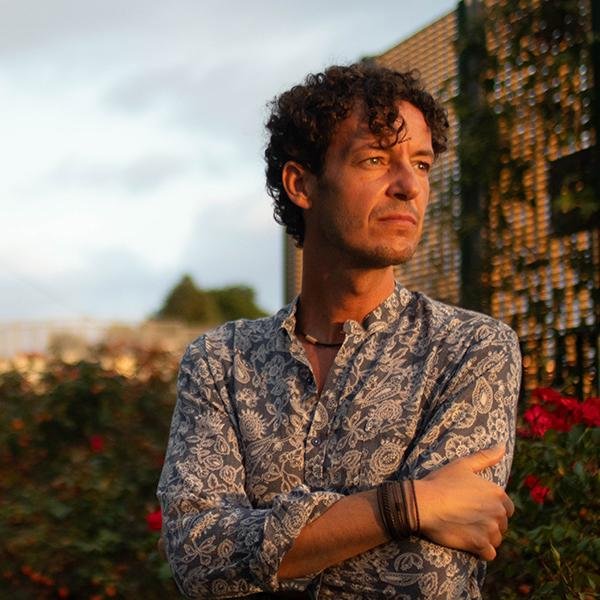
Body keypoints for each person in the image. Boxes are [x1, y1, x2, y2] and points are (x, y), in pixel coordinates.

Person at [157, 63, 521, 599]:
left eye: (421, 164)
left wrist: (265, 549)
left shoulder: (471, 349)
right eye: (375, 160)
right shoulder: (221, 360)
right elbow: (197, 558)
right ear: (301, 184)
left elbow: (427, 574)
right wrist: (405, 506)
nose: (409, 186)